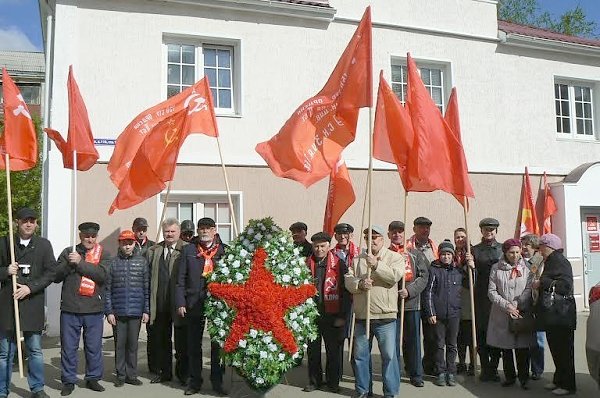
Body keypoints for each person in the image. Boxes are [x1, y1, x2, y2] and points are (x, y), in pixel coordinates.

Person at [0, 208, 56, 398]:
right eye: (25, 220)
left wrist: (30, 288)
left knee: (35, 350)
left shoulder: (44, 245)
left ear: (36, 223)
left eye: (32, 220)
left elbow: (51, 273)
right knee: (5, 352)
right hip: (9, 304)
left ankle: (37, 388)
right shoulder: (5, 243)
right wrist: (6, 271)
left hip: (32, 303)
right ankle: (2, 390)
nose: (29, 224)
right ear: (17, 222)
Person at [344, 225, 404, 398]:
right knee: (360, 357)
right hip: (363, 316)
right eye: (368, 238)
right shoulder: (357, 260)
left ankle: (390, 393)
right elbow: (348, 281)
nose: (372, 241)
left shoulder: (394, 257)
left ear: (382, 239)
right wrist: (360, 284)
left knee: (389, 357)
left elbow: (394, 277)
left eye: (375, 237)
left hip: (386, 316)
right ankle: (363, 390)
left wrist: (377, 265)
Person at [54, 222, 110, 396]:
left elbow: (103, 276)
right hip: (70, 308)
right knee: (68, 348)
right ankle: (68, 381)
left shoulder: (104, 253)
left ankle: (93, 378)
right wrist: (68, 263)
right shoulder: (68, 251)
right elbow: (55, 276)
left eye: (93, 236)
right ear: (80, 236)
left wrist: (80, 263)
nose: (90, 239)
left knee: (93, 347)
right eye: (87, 236)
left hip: (93, 309)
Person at [177, 217, 227, 396]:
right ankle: (194, 381)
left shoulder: (224, 251)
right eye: (201, 228)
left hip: (217, 305)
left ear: (215, 230)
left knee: (217, 345)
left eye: (208, 228)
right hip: (193, 303)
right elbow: (180, 279)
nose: (204, 231)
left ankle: (217, 382)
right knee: (193, 345)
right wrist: (180, 302)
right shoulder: (188, 250)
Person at [304, 232, 350, 393]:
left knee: (333, 351)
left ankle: (333, 382)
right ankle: (314, 380)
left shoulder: (338, 264)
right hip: (312, 316)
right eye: (316, 246)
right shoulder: (306, 264)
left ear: (329, 246)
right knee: (313, 351)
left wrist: (342, 316)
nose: (319, 249)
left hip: (332, 315)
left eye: (322, 246)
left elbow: (346, 293)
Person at [487, 239, 534, 390]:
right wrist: (506, 305)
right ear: (505, 253)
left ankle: (524, 378)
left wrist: (518, 304)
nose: (515, 255)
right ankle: (510, 377)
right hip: (502, 313)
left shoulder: (527, 268)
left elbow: (529, 288)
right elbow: (492, 292)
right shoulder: (496, 268)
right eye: (511, 252)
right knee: (506, 348)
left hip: (521, 312)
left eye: (517, 252)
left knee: (522, 348)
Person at [147, 218, 189, 386]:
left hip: (179, 304)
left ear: (179, 232)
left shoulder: (187, 249)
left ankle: (183, 374)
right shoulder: (154, 251)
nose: (169, 234)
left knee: (181, 342)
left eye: (173, 231)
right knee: (162, 341)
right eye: (167, 232)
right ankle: (164, 373)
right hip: (160, 303)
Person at [105, 230, 149, 387]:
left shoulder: (142, 262)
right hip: (118, 313)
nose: (127, 246)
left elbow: (146, 288)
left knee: (133, 345)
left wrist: (146, 310)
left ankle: (132, 375)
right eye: (124, 243)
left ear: (134, 244)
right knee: (120, 345)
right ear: (120, 244)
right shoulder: (112, 263)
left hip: (136, 312)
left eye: (130, 243)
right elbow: (107, 290)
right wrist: (109, 311)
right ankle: (120, 375)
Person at [534, 234, 576, 396]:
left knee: (564, 351)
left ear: (549, 247)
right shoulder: (550, 261)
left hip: (562, 315)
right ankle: (559, 380)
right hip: (554, 315)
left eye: (541, 247)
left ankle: (568, 385)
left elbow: (565, 286)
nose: (539, 250)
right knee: (557, 349)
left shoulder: (559, 261)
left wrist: (542, 283)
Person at [387, 220, 429, 388]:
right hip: (390, 305)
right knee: (394, 342)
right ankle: (394, 372)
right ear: (389, 234)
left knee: (413, 341)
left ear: (404, 234)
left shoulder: (414, 253)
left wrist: (410, 291)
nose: (397, 235)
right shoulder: (385, 253)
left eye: (400, 232)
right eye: (394, 232)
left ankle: (416, 373)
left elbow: (424, 276)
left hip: (412, 304)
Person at [424, 240, 465, 387]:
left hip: (454, 314)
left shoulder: (458, 271)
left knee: (452, 344)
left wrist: (472, 267)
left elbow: (470, 283)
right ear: (439, 255)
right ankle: (440, 371)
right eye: (443, 254)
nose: (446, 257)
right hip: (439, 315)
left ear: (452, 256)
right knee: (439, 344)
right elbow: (428, 293)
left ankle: (451, 372)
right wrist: (431, 312)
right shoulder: (434, 270)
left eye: (449, 254)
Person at [406, 216, 438, 375]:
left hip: (430, 297)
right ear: (414, 229)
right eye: (421, 227)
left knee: (431, 335)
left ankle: (429, 365)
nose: (425, 230)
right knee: (412, 336)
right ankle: (412, 367)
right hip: (412, 297)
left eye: (427, 227)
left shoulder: (434, 247)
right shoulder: (407, 247)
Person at [472, 217, 503, 382]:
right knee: (482, 332)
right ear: (481, 231)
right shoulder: (475, 250)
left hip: (498, 295)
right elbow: (468, 274)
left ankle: (494, 367)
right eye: (485, 229)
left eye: (491, 229)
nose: (489, 232)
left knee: (497, 332)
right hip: (481, 296)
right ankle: (484, 367)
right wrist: (469, 264)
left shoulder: (503, 249)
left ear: (496, 231)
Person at [521, 233, 545, 380]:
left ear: (535, 247)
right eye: (522, 244)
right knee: (524, 337)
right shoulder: (520, 260)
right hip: (524, 304)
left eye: (526, 245)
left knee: (538, 339)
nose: (523, 248)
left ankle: (537, 370)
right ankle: (524, 369)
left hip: (536, 305)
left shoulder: (539, 261)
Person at [454, 228, 475, 376]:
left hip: (469, 296)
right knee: (459, 334)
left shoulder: (473, 252)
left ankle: (473, 363)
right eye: (457, 237)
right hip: (456, 296)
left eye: (462, 237)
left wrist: (472, 264)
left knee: (470, 332)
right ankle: (461, 362)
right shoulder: (452, 253)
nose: (460, 239)